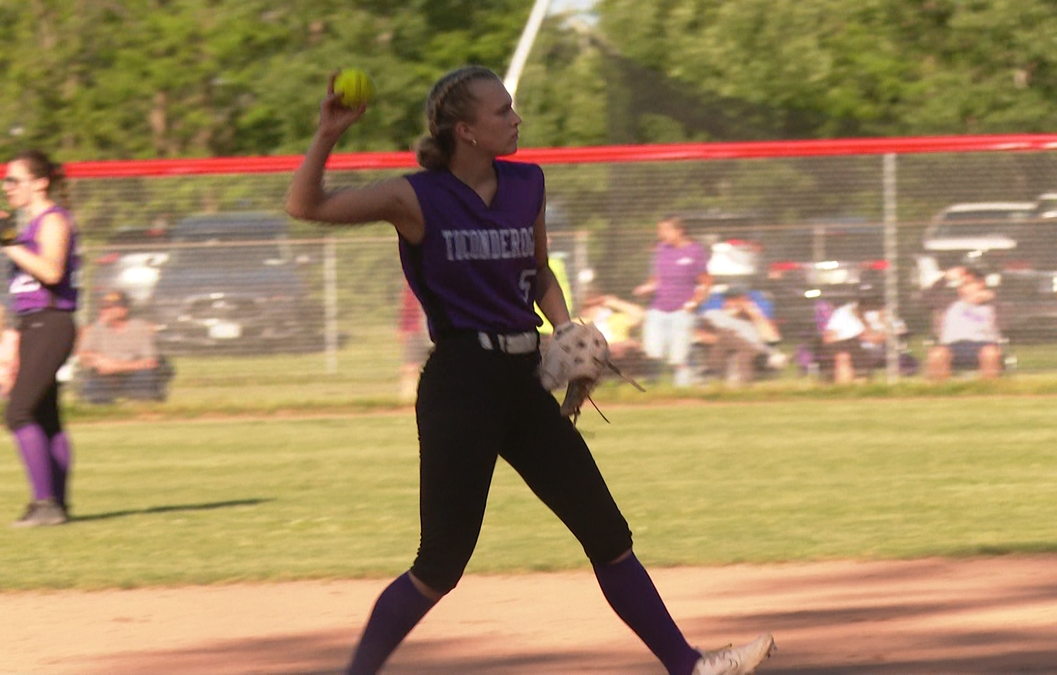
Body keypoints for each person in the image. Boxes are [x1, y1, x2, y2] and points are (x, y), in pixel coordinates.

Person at [285, 66, 773, 675]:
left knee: (607, 533)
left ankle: (689, 665)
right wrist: (329, 133)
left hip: (524, 379)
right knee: (440, 565)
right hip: (461, 384)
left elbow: (539, 271)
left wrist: (565, 328)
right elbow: (305, 205)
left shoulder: (526, 184)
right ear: (465, 130)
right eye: (501, 111)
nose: (515, 119)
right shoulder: (415, 196)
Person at [0, 149, 80, 527]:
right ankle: (56, 506)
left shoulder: (53, 220)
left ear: (40, 182)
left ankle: (45, 503)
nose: (6, 187)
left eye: (14, 180)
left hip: (52, 322)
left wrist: (9, 242)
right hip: (34, 324)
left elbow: (50, 271)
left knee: (18, 412)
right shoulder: (29, 223)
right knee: (46, 417)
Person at [632, 216, 712, 387]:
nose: (661, 234)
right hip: (657, 310)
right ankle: (651, 390)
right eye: (660, 230)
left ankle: (682, 392)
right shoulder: (661, 250)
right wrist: (647, 287)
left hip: (682, 312)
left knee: (678, 358)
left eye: (666, 230)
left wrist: (694, 303)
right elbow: (655, 279)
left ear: (679, 231)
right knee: (651, 353)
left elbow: (705, 282)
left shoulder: (694, 251)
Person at [78, 290, 170, 403]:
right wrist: (98, 360)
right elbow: (84, 355)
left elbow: (151, 361)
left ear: (125, 309)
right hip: (105, 377)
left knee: (146, 377)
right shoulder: (97, 328)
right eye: (103, 307)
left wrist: (115, 366)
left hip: (133, 375)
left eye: (111, 307)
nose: (105, 311)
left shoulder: (139, 328)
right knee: (92, 390)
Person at [926, 268, 1002, 380]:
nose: (962, 288)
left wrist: (993, 299)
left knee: (990, 354)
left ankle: (989, 390)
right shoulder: (949, 303)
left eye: (968, 284)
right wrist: (945, 278)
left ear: (981, 284)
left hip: (984, 344)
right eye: (961, 285)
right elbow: (926, 298)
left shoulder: (992, 306)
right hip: (951, 345)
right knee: (937, 354)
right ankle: (939, 391)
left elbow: (1009, 321)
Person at [697, 288, 784, 385]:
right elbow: (699, 337)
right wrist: (728, 339)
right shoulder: (713, 315)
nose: (740, 303)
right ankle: (742, 381)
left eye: (744, 300)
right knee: (727, 334)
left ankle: (713, 373)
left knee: (739, 345)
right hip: (731, 354)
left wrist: (755, 315)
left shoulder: (752, 318)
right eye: (736, 299)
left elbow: (773, 338)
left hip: (757, 355)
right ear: (726, 301)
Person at [397, 280, 431, 402]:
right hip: (416, 329)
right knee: (411, 368)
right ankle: (407, 399)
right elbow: (408, 305)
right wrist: (405, 328)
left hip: (433, 327)